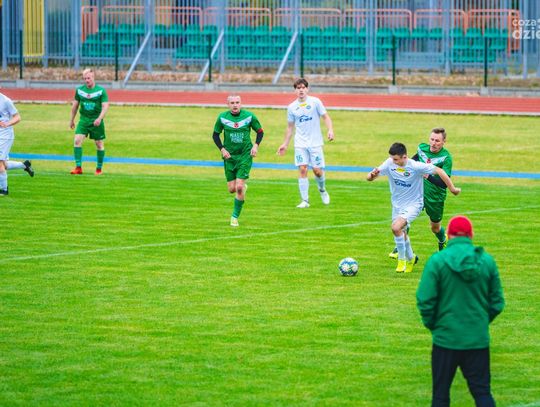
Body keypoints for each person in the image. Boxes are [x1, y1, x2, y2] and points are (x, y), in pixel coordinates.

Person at [416, 215, 505, 407]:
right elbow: (497, 302)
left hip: (445, 339)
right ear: (471, 235)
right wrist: (480, 321)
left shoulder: (437, 261)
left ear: (448, 235)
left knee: (440, 396)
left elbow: (425, 300)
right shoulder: (487, 261)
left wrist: (435, 325)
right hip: (477, 340)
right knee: (482, 392)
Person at [367, 142, 460, 273]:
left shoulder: (415, 166)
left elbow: (439, 171)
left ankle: (402, 260)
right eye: (392, 159)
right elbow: (370, 177)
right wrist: (372, 175)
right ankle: (411, 258)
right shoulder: (389, 163)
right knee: (401, 232)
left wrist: (453, 189)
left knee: (396, 227)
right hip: (397, 205)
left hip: (414, 204)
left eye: (396, 159)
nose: (393, 161)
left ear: (404, 157)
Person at [390, 128, 453, 259]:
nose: (433, 143)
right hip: (416, 193)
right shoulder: (422, 149)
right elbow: (411, 163)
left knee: (435, 228)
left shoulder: (446, 158)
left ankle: (442, 239)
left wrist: (428, 176)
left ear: (444, 142)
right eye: (432, 139)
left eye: (437, 141)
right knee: (404, 218)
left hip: (434, 196)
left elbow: (444, 184)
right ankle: (400, 247)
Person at [277, 78, 334, 208]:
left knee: (317, 171)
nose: (301, 90)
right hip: (300, 143)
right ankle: (305, 201)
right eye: (298, 88)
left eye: (303, 88)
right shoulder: (291, 107)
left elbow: (326, 117)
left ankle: (322, 190)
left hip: (315, 143)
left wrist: (330, 130)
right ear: (295, 90)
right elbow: (290, 127)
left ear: (307, 89)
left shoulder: (315, 102)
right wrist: (285, 144)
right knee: (302, 169)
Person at [212, 94, 264, 227]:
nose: (235, 105)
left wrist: (256, 146)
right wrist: (222, 149)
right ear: (228, 104)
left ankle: (234, 217)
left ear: (241, 103)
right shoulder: (222, 118)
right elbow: (215, 135)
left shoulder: (249, 116)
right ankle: (241, 188)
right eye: (232, 103)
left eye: (237, 102)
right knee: (232, 189)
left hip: (245, 155)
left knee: (239, 187)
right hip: (229, 157)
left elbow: (260, 131)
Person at [69, 68, 110, 175]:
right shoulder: (79, 90)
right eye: (85, 78)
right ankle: (78, 168)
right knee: (77, 141)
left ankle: (99, 169)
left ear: (93, 77)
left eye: (88, 78)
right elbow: (75, 106)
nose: (87, 80)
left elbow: (105, 106)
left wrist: (99, 118)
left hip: (96, 120)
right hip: (84, 120)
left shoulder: (101, 91)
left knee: (99, 144)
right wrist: (72, 120)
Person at [0, 91, 34, 196]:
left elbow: (17, 117)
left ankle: (4, 190)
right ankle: (24, 165)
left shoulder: (5, 101)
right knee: (4, 164)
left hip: (5, 136)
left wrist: (7, 124)